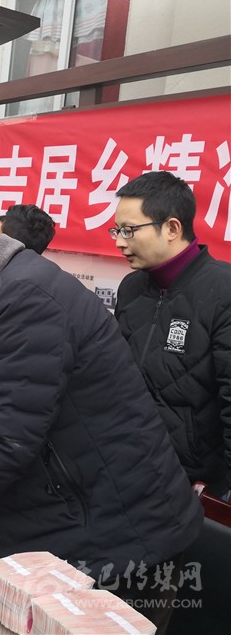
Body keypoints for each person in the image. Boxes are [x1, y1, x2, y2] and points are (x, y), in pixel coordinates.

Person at [0, 201, 202, 631]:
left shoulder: (24, 298)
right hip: (86, 515)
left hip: (123, 534)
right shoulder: (8, 289)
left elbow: (5, 439)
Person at [113, 171, 231, 499]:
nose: (119, 241)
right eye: (117, 230)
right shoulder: (131, 288)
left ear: (172, 228)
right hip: (127, 468)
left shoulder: (223, 289)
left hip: (195, 485)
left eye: (129, 230)